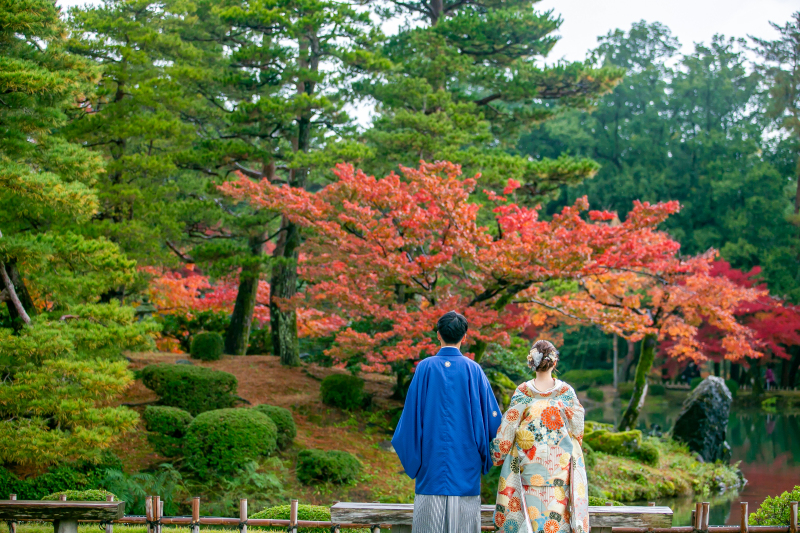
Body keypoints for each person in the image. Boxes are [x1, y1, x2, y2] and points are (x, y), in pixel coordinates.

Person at [392, 311, 502, 533]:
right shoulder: (474, 370)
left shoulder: (425, 368)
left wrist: (416, 460)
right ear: (464, 337)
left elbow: (409, 421)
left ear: (438, 335)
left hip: (430, 466)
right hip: (465, 466)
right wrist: (488, 456)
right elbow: (493, 422)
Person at [491, 340, 590, 533]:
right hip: (560, 470)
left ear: (531, 363)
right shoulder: (565, 393)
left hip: (528, 468)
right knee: (556, 521)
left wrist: (497, 455)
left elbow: (508, 429)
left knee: (530, 520)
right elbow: (578, 429)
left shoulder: (523, 392)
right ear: (554, 363)